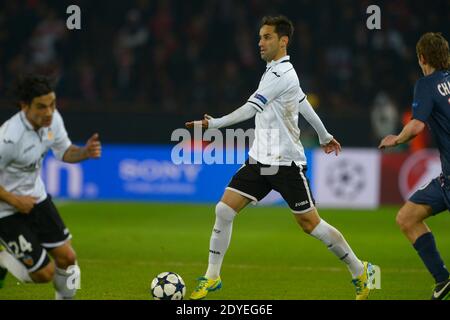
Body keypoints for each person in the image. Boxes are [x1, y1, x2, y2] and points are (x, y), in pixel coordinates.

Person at [186, 15, 376, 300]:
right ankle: (212, 277)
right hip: (259, 159)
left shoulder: (281, 74)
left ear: (283, 41)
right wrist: (324, 135)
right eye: (260, 37)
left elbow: (251, 109)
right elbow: (302, 104)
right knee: (224, 210)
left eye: (267, 37)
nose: (260, 42)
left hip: (286, 163)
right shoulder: (275, 71)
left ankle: (361, 270)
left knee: (310, 225)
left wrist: (214, 125)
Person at [0, 74, 101, 299]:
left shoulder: (52, 119)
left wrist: (85, 152)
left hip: (37, 198)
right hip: (6, 211)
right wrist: (16, 201)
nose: (48, 112)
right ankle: (3, 260)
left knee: (68, 258)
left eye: (52, 104)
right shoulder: (8, 139)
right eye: (41, 107)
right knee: (44, 274)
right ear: (24, 106)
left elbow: (64, 151)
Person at [379, 32, 450, 300]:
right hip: (446, 179)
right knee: (407, 218)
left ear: (422, 58)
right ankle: (442, 279)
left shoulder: (426, 84)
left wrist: (396, 138)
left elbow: (417, 124)